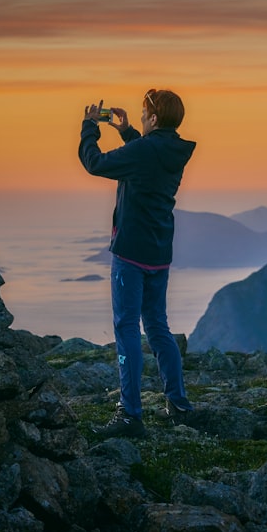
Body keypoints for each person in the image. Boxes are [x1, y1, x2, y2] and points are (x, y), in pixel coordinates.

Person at [78, 89, 196, 438]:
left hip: (130, 253)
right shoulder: (173, 150)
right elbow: (146, 157)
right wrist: (128, 131)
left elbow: (95, 163)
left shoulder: (145, 150)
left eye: (145, 114)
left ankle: (130, 415)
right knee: (158, 326)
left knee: (127, 329)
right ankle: (178, 405)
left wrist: (89, 127)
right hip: (159, 253)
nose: (142, 118)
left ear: (155, 119)